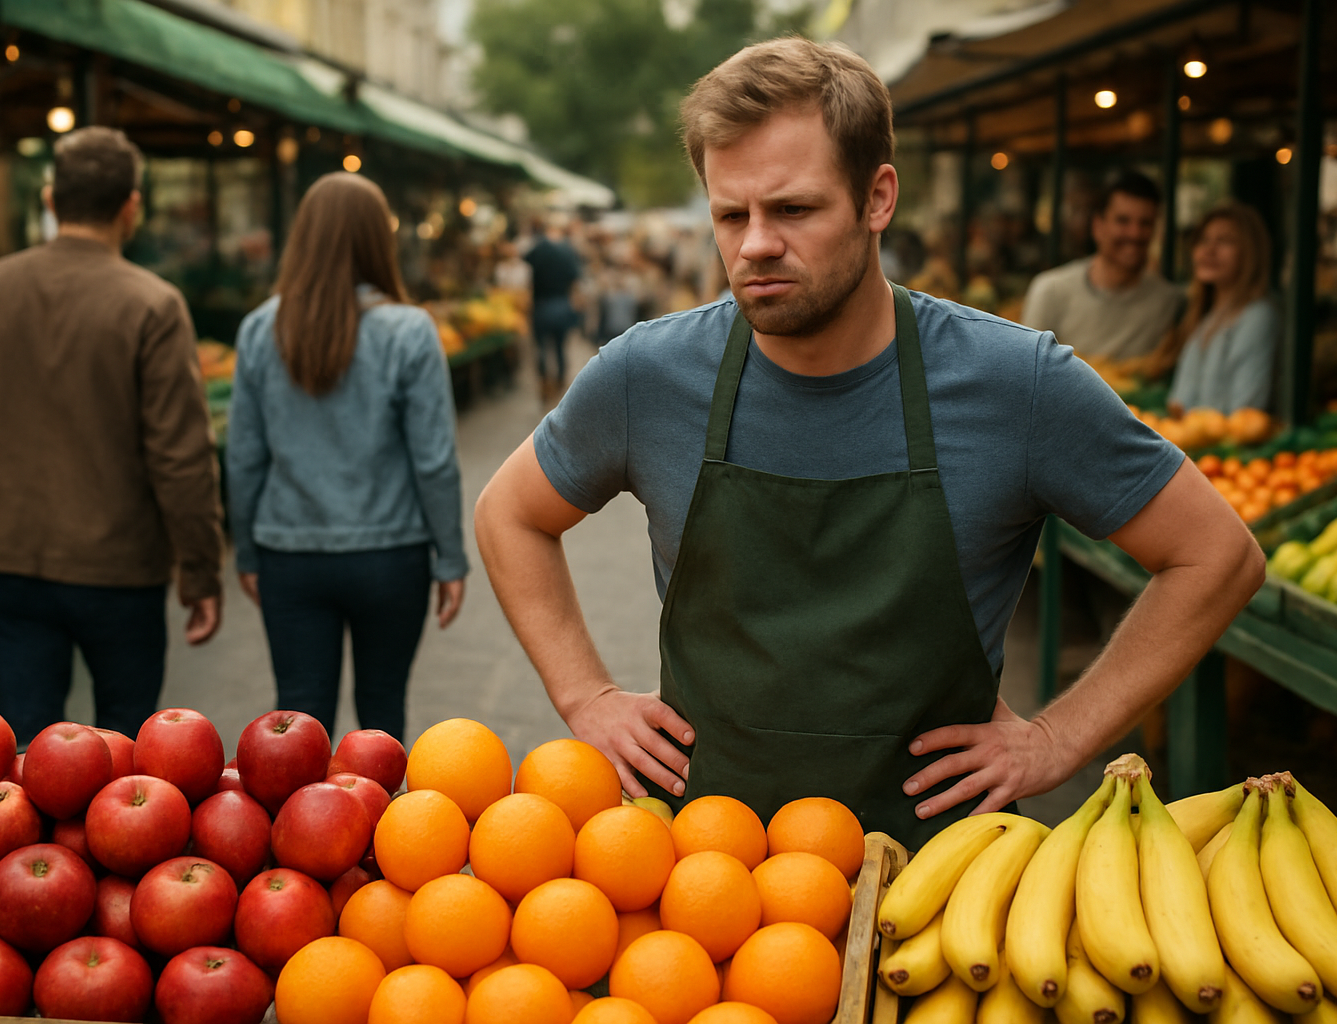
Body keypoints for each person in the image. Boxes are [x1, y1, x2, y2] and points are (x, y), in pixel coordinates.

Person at [474, 38, 1264, 848]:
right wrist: (586, 697)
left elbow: (1216, 556)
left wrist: (1059, 738)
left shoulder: (1015, 382)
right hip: (709, 884)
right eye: (729, 214)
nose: (754, 246)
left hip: (943, 884)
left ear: (878, 197)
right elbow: (510, 514)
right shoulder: (649, 373)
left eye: (793, 209)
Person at [0, 127, 223, 745]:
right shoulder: (153, 305)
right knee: (125, 757)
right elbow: (181, 459)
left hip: (8, 559)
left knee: (19, 758)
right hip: (120, 568)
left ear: (52, 198)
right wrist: (198, 570)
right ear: (130, 206)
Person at [225, 173, 468, 741]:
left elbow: (243, 457)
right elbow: (433, 460)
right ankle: (387, 830)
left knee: (297, 725)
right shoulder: (410, 331)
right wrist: (451, 556)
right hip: (392, 557)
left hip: (289, 555)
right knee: (381, 720)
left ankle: (300, 830)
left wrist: (246, 551)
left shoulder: (262, 329)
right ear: (375, 241)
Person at [1020, 171, 1184, 362]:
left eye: (1145, 223)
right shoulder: (1051, 290)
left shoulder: (1170, 302)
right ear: (1098, 226)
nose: (1135, 233)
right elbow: (1027, 370)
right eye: (1123, 221)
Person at [1162, 203, 1279, 415]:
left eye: (1224, 240)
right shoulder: (1203, 316)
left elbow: (1245, 413)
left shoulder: (1258, 317)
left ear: (1250, 252)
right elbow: (1178, 405)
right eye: (1204, 240)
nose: (1209, 250)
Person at [524, 215, 583, 401]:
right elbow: (575, 278)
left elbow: (525, 261)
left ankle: (544, 383)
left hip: (541, 305)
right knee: (560, 348)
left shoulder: (539, 247)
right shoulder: (567, 249)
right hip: (561, 304)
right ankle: (560, 383)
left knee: (541, 347)